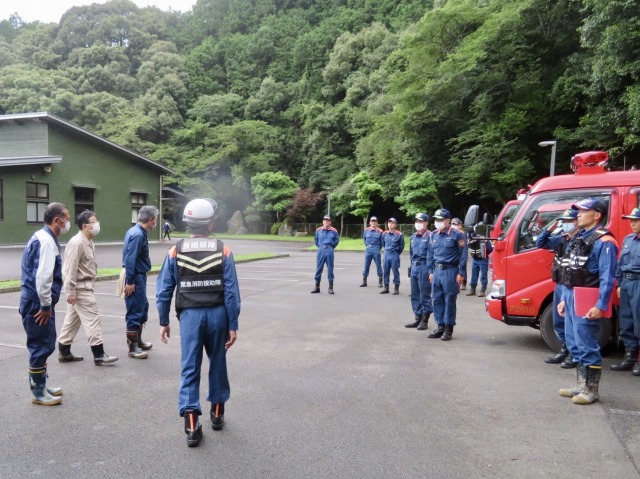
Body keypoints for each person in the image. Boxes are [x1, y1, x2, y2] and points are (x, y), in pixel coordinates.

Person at [156, 198, 240, 447]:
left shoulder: (175, 251)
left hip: (190, 316)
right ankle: (217, 414)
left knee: (190, 367)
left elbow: (164, 290)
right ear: (210, 223)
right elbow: (231, 293)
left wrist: (164, 321)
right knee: (218, 362)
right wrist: (233, 324)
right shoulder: (224, 250)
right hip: (218, 315)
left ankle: (192, 426)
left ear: (188, 223)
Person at [558, 198, 617, 405]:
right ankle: (581, 385)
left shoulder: (604, 241)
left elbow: (607, 277)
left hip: (587, 298)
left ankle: (591, 390)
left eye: (583, 211)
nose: (579, 215)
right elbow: (571, 270)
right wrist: (564, 298)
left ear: (597, 215)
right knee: (573, 343)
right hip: (572, 295)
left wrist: (600, 305)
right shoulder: (580, 237)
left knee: (586, 344)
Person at [19, 202, 70, 406]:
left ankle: (41, 385)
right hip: (37, 303)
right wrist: (45, 306)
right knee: (41, 345)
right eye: (66, 219)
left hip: (34, 300)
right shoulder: (47, 241)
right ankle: (38, 392)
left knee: (44, 344)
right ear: (57, 220)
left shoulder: (41, 237)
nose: (68, 223)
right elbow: (43, 277)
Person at [58, 211, 118, 366]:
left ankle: (64, 352)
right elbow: (70, 269)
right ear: (85, 226)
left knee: (72, 321)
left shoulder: (88, 241)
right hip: (80, 288)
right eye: (93, 221)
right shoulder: (77, 243)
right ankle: (99, 355)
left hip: (85, 287)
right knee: (93, 319)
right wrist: (71, 291)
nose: (97, 224)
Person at [535, 209, 579, 367]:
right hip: (560, 283)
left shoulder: (581, 240)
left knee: (572, 321)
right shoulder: (561, 239)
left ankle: (574, 354)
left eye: (569, 221)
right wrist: (549, 229)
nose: (566, 224)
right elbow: (540, 243)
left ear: (578, 222)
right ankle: (564, 349)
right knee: (558, 320)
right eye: (564, 221)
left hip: (573, 285)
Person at [121, 205, 159, 359]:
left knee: (142, 307)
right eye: (155, 219)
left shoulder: (135, 231)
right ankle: (133, 348)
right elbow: (130, 259)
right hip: (135, 276)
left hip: (138, 276)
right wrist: (130, 281)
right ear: (150, 220)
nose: (155, 223)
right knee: (135, 310)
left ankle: (138, 341)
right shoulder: (138, 235)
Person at [426, 208, 467, 341]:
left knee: (449, 300)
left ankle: (448, 328)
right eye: (436, 219)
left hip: (450, 271)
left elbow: (463, 255)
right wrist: (430, 271)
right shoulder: (434, 235)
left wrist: (461, 273)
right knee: (436, 299)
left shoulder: (457, 235)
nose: (437, 222)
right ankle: (440, 326)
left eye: (440, 219)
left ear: (448, 220)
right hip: (437, 271)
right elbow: (430, 254)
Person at [611, 207, 640, 374]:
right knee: (626, 321)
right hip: (627, 284)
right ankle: (630, 357)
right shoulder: (628, 239)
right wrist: (619, 284)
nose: (632, 223)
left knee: (639, 321)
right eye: (631, 220)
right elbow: (620, 264)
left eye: (636, 220)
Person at [405, 213, 433, 330]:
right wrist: (411, 267)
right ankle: (418, 318)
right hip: (415, 267)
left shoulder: (430, 236)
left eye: (420, 221)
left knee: (424, 295)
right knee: (415, 294)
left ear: (426, 223)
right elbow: (411, 253)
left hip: (424, 266)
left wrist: (431, 271)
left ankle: (424, 321)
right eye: (416, 221)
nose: (418, 223)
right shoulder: (413, 237)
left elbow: (432, 255)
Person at [311, 215, 340, 294]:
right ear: (323, 221)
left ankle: (330, 287)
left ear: (330, 222)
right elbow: (316, 241)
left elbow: (336, 241)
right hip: (321, 249)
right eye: (325, 220)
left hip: (329, 249)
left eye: (328, 220)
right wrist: (321, 247)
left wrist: (330, 247)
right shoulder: (318, 230)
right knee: (319, 268)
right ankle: (317, 287)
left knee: (330, 269)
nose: (326, 222)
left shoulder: (334, 231)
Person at [465, 227, 493, 298]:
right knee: (474, 275)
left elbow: (490, 248)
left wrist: (485, 254)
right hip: (475, 259)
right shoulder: (468, 239)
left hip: (483, 259)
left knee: (483, 276)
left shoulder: (482, 239)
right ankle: (472, 290)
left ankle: (482, 291)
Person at [380, 218, 405, 295]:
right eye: (389, 223)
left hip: (394, 254)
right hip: (386, 253)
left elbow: (401, 246)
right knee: (386, 271)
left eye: (392, 223)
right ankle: (386, 288)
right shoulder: (384, 234)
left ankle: (396, 288)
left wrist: (396, 253)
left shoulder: (399, 234)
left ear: (395, 225)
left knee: (395, 271)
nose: (390, 224)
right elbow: (383, 244)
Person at [360, 216, 383, 288]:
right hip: (368, 249)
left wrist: (377, 248)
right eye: (372, 221)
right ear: (370, 222)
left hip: (376, 248)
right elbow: (364, 240)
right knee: (366, 265)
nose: (373, 223)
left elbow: (382, 242)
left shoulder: (380, 231)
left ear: (377, 223)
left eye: (374, 221)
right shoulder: (366, 230)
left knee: (378, 265)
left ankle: (380, 281)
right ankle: (364, 281)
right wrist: (368, 246)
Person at [451, 218, 467, 290]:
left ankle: (464, 282)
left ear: (460, 225)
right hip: (453, 255)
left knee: (463, 267)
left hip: (460, 253)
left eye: (456, 224)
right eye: (453, 224)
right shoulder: (450, 233)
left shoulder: (461, 234)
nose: (454, 226)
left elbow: (463, 247)